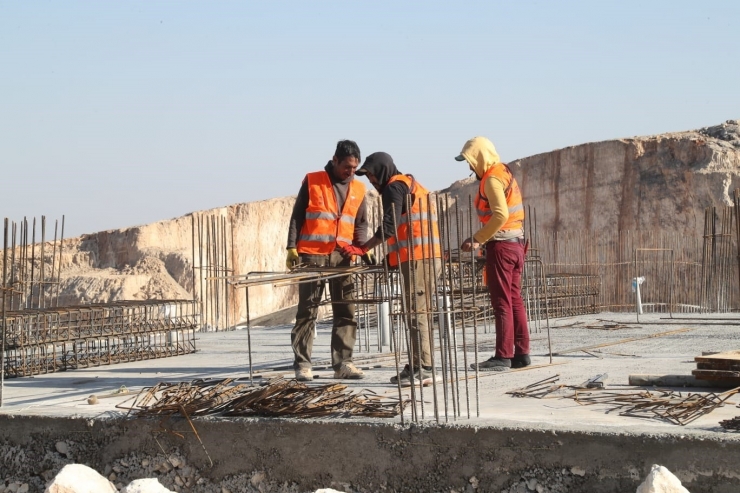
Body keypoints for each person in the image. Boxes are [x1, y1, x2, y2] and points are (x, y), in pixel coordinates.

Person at [344, 152, 442, 386]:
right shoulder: (408, 184)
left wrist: (363, 248)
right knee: (418, 313)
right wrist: (391, 260)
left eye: (372, 176)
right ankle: (419, 364)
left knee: (416, 314)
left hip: (419, 259)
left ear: (382, 171)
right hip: (424, 257)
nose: (372, 182)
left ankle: (424, 368)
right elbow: (406, 229)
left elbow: (390, 226)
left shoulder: (394, 187)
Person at [285, 140, 369, 381]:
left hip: (343, 256)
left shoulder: (359, 189)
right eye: (347, 166)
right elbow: (297, 216)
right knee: (307, 310)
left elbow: (360, 223)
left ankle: (344, 363)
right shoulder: (313, 181)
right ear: (335, 160)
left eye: (355, 167)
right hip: (313, 253)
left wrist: (361, 248)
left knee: (345, 309)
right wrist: (291, 247)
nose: (351, 171)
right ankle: (303, 364)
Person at [455, 136, 530, 371]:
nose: (469, 167)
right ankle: (521, 353)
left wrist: (477, 239)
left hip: (503, 246)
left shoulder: (492, 179)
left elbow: (499, 215)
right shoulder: (503, 172)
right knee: (514, 299)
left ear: (480, 157)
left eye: (470, 161)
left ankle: (503, 356)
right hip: (516, 244)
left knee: (502, 301)